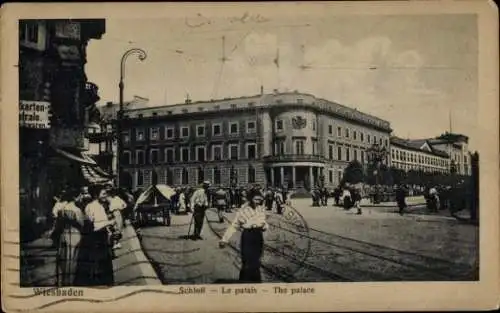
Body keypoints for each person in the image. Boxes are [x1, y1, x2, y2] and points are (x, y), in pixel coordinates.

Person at [219, 187, 268, 283]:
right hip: (248, 236)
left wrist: (264, 226)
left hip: (258, 236)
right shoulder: (243, 210)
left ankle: (256, 283)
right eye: (256, 199)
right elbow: (234, 225)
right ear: (250, 199)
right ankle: (244, 283)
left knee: (257, 261)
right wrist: (225, 239)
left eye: (260, 199)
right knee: (247, 262)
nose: (258, 202)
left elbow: (264, 222)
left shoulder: (260, 209)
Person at [78, 185, 114, 286]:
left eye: (105, 194)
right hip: (97, 238)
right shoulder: (93, 207)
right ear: (96, 195)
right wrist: (109, 223)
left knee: (100, 263)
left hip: (100, 237)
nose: (105, 196)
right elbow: (93, 226)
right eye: (103, 194)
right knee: (98, 263)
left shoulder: (97, 206)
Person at [49, 188, 85, 286]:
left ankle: (62, 281)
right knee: (73, 258)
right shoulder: (77, 210)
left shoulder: (62, 209)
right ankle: (71, 281)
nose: (81, 197)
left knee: (63, 258)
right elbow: (81, 224)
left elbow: (58, 224)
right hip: (75, 234)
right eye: (80, 195)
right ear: (75, 197)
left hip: (64, 234)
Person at [107, 185, 127, 250]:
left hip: (117, 213)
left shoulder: (117, 198)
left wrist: (120, 208)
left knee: (118, 228)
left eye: (112, 191)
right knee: (112, 228)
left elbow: (124, 205)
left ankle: (116, 243)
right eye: (109, 192)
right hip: (111, 214)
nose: (111, 193)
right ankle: (113, 243)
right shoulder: (108, 198)